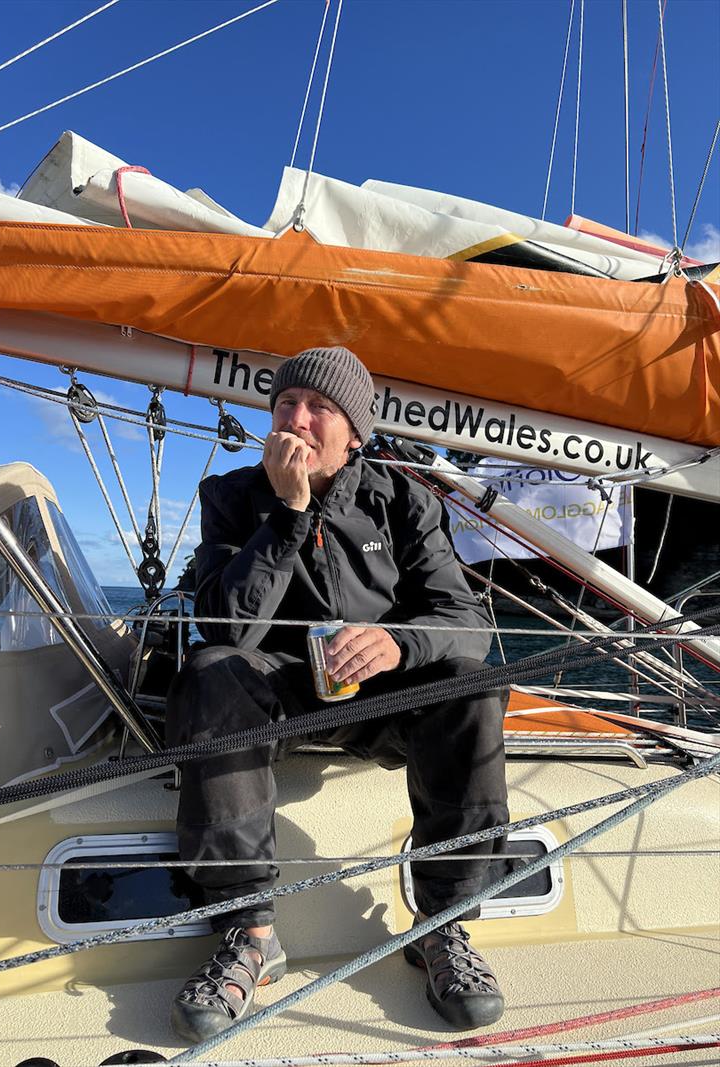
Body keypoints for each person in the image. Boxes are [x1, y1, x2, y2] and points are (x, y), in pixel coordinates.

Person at [166, 346, 509, 1043]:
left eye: (318, 407)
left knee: (474, 684)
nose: (298, 418)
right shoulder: (230, 497)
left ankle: (443, 924)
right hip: (280, 693)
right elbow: (228, 624)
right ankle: (249, 930)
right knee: (211, 669)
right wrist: (287, 515)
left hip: (383, 695)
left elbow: (465, 621)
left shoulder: (405, 499)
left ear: (353, 432)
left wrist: (397, 644)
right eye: (286, 404)